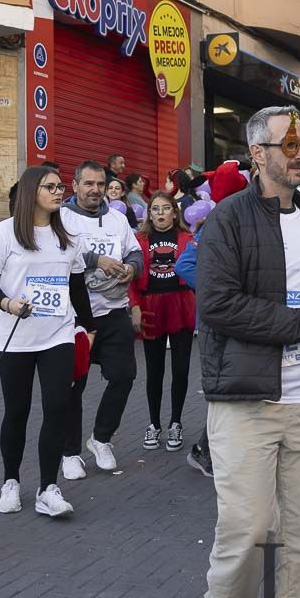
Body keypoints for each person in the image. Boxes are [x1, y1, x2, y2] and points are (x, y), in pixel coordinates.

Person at [194, 106, 300, 598]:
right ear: (258, 154)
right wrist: (299, 327)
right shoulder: (229, 218)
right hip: (246, 405)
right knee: (247, 535)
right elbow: (216, 303)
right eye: (290, 146)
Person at [0, 165, 95, 518]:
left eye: (61, 187)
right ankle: (10, 482)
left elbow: (76, 287)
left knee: (58, 406)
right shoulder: (4, 234)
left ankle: (48, 487)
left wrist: (88, 327)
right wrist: (8, 303)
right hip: (14, 337)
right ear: (32, 192)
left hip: (57, 334)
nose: (60, 192)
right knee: (17, 410)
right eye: (52, 187)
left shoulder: (69, 236)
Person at [60, 161, 142, 476]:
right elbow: (59, 254)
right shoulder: (61, 219)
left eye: (100, 184)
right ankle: (69, 453)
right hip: (75, 318)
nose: (95, 190)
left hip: (113, 311)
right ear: (75, 184)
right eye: (88, 184)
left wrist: (132, 268)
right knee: (72, 386)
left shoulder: (118, 219)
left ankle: (101, 439)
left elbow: (134, 252)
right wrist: (98, 260)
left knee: (124, 376)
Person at [129, 191, 196, 453]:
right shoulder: (139, 240)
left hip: (181, 304)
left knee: (180, 369)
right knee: (154, 370)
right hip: (151, 305)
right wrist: (134, 306)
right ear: (149, 213)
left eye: (165, 208)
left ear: (174, 212)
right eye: (154, 209)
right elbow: (131, 279)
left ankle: (176, 422)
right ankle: (154, 424)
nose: (160, 213)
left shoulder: (187, 239)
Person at [174, 197, 216, 478]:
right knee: (221, 392)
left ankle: (208, 449)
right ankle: (204, 451)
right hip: (215, 324)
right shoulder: (215, 224)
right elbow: (184, 266)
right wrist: (219, 291)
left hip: (248, 323)